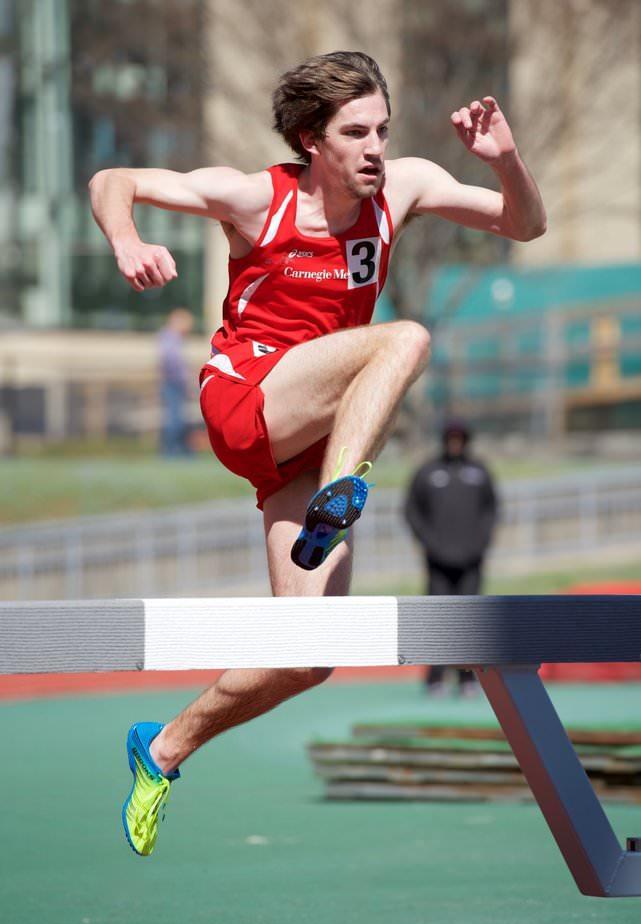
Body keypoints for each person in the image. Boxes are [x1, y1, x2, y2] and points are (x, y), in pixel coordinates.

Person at [88, 50, 546, 855]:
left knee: (309, 655)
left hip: (304, 442)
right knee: (404, 338)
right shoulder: (253, 197)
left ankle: (160, 750)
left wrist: (505, 158)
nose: (375, 149)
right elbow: (111, 180)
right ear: (311, 139)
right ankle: (343, 491)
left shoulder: (400, 187)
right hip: (245, 400)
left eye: (383, 131)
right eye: (355, 133)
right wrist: (125, 240)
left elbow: (524, 225)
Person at [404, 418, 499, 695]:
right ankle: (435, 678)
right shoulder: (428, 472)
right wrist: (428, 543)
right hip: (438, 561)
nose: (455, 443)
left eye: (460, 438)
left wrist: (481, 542)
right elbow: (411, 511)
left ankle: (467, 679)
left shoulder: (479, 472)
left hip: (471, 560)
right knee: (438, 618)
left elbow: (491, 509)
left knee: (470, 618)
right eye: (451, 438)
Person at [157, 307, 194, 456]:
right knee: (174, 418)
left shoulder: (172, 338)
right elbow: (171, 362)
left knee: (177, 417)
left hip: (175, 383)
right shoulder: (169, 338)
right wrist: (185, 379)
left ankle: (177, 449)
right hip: (173, 383)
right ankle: (172, 451)